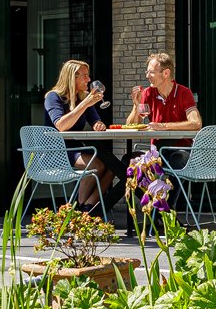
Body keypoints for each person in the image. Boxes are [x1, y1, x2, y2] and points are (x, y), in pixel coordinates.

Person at [43, 59, 113, 210]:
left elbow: (96, 121)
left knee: (113, 166)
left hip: (76, 149)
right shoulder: (53, 97)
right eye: (85, 76)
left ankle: (87, 206)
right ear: (72, 77)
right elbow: (61, 125)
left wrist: (98, 124)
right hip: (56, 152)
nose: (89, 79)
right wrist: (85, 103)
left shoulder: (82, 97)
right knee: (96, 164)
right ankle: (79, 207)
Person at [124, 52, 201, 169]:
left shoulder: (184, 92)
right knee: (128, 160)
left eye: (151, 72)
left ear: (166, 73)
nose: (147, 76)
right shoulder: (148, 93)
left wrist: (163, 126)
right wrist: (136, 105)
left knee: (175, 161)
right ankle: (148, 187)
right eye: (147, 72)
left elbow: (196, 123)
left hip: (180, 149)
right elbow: (131, 126)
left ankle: (161, 187)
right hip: (157, 152)